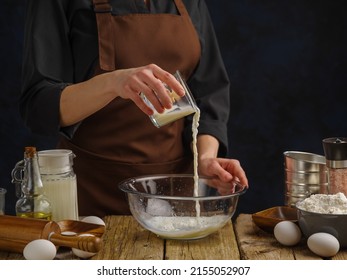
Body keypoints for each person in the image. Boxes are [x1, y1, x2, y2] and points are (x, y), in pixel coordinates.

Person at [20, 0, 248, 217]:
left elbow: (208, 94)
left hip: (175, 198)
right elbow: (39, 105)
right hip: (91, 195)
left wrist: (205, 159)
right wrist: (113, 82)